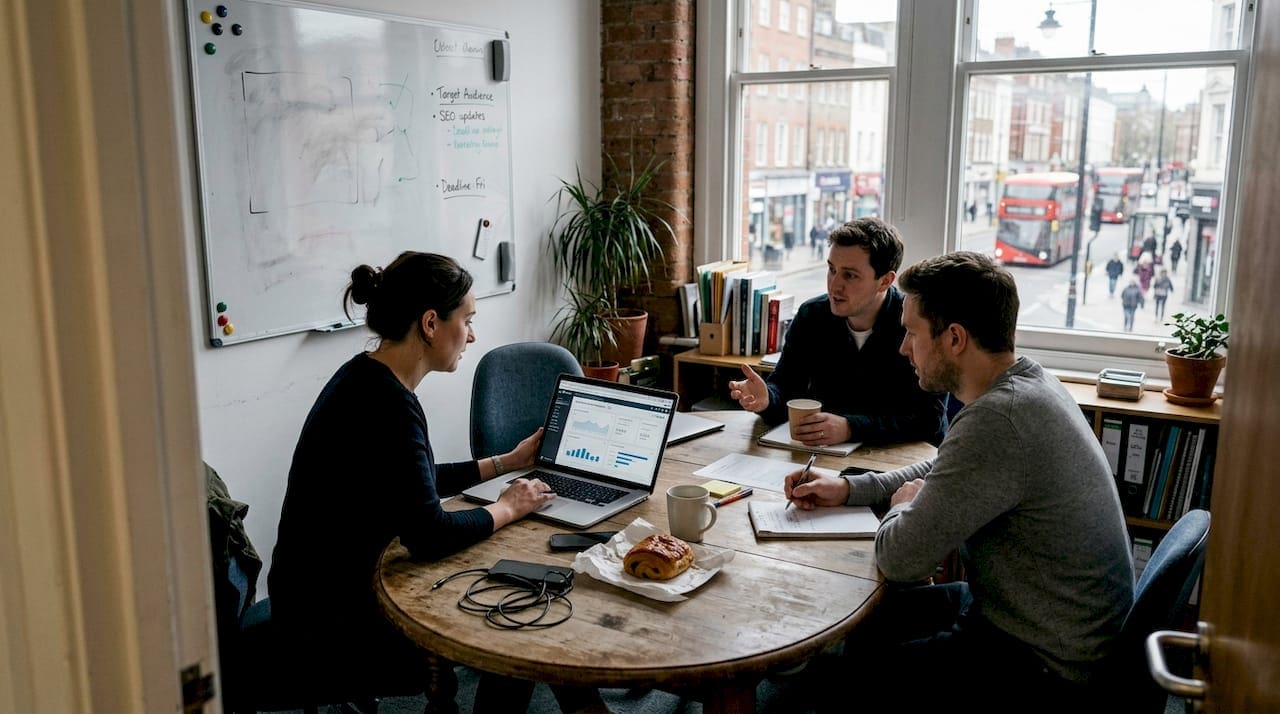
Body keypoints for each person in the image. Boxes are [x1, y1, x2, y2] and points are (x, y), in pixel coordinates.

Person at [787, 251, 1133, 709]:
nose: (903, 347)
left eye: (911, 332)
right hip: (1043, 622)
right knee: (868, 620)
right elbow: (944, 468)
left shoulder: (1000, 419)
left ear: (954, 338)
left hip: (1043, 662)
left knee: (826, 684)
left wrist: (902, 508)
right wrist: (852, 488)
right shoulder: (1026, 384)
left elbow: (900, 559)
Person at [266, 252, 599, 712]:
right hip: (336, 616)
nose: (472, 334)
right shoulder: (389, 405)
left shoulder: (365, 377)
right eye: (467, 319)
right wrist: (507, 507)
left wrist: (506, 462)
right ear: (429, 323)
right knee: (514, 604)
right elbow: (429, 535)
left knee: (515, 587)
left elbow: (411, 482)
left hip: (307, 588)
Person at [727, 217, 947, 447]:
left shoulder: (915, 324)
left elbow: (929, 421)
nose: (834, 285)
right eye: (832, 270)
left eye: (850, 275)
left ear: (884, 281)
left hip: (903, 464)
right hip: (826, 456)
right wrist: (766, 400)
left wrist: (851, 428)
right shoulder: (812, 315)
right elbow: (785, 387)